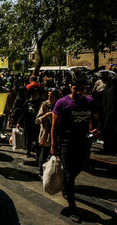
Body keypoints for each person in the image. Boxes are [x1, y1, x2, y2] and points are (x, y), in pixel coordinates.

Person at [51, 72, 99, 223]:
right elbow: (54, 126)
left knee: (80, 168)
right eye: (76, 89)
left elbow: (97, 119)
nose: (79, 92)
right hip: (66, 144)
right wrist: (54, 144)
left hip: (84, 143)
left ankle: (67, 186)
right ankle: (72, 209)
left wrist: (95, 130)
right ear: (70, 87)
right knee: (70, 175)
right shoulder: (62, 103)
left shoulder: (90, 102)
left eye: (82, 89)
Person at [35, 88, 58, 176]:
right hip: (46, 134)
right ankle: (41, 170)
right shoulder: (44, 105)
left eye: (52, 97)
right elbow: (37, 120)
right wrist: (46, 116)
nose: (50, 99)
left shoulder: (59, 106)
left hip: (56, 134)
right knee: (43, 154)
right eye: (49, 96)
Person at [17, 88, 43, 158]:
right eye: (33, 94)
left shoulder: (42, 103)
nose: (35, 96)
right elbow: (23, 113)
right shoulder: (27, 102)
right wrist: (19, 122)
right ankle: (28, 150)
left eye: (36, 94)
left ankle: (38, 153)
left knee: (38, 140)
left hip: (38, 124)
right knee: (29, 139)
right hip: (28, 123)